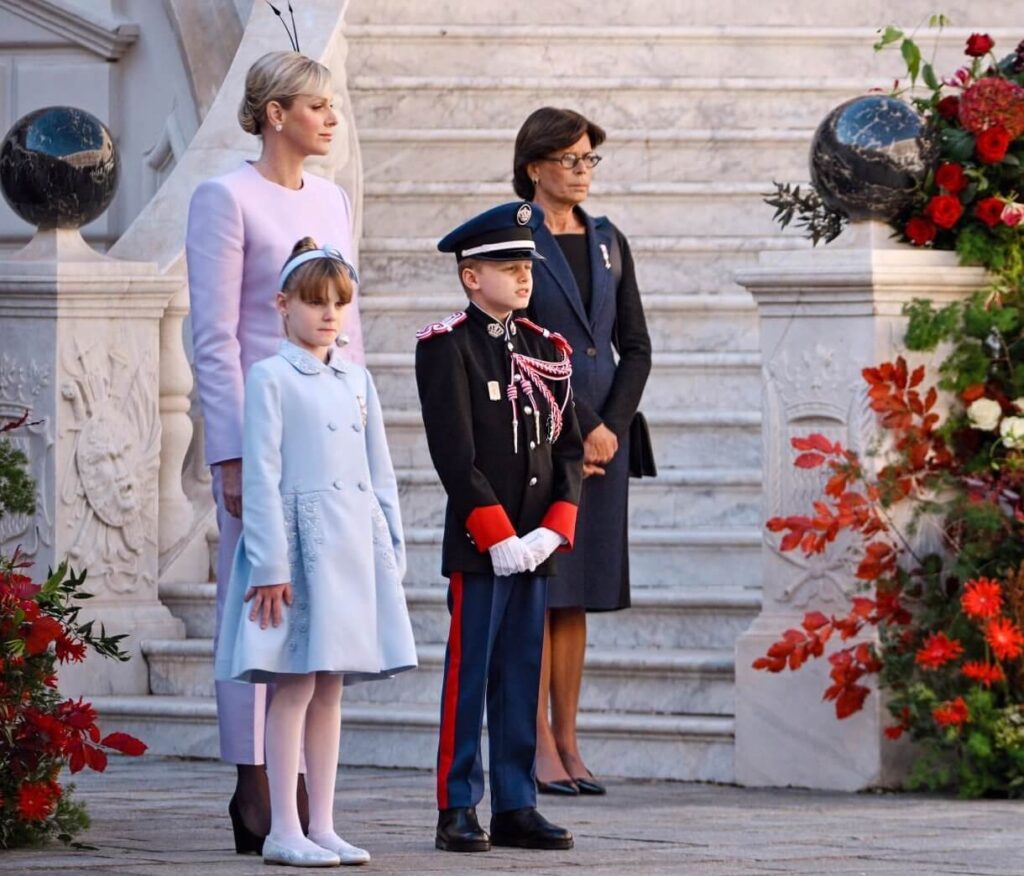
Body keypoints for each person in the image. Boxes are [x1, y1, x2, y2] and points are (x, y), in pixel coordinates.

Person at [185, 50, 362, 850]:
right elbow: (215, 336)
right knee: (249, 603)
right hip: (259, 435)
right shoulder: (224, 198)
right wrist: (226, 453)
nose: (330, 118)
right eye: (315, 105)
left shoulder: (331, 197)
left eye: (332, 105)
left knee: (317, 605)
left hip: (326, 437)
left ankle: (299, 785)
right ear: (273, 113)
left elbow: (345, 327)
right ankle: (251, 777)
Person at [214, 238, 416, 867]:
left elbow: (378, 470)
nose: (329, 314)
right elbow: (264, 476)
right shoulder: (271, 377)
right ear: (283, 305)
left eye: (339, 303)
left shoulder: (356, 377)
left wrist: (390, 548)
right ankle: (282, 829)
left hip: (353, 546)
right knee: (293, 685)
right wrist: (271, 565)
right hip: (297, 550)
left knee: (331, 685)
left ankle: (322, 823)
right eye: (314, 302)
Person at [415, 201, 584, 853]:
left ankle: (517, 802)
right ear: (470, 277)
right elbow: (455, 455)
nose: (523, 279)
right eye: (508, 267)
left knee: (521, 673)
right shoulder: (447, 349)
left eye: (527, 268)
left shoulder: (548, 349)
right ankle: (458, 803)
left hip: (534, 545)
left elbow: (567, 449)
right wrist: (498, 534)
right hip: (483, 547)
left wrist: (552, 530)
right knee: (471, 675)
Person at [513, 107, 652, 796]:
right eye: (570, 159)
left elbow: (636, 344)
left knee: (579, 596)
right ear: (535, 165)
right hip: (542, 435)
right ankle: (534, 743)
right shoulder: (512, 236)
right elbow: (523, 341)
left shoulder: (607, 238)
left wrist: (613, 427)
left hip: (607, 443)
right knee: (543, 590)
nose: (582, 170)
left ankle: (568, 740)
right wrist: (583, 425)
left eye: (590, 158)